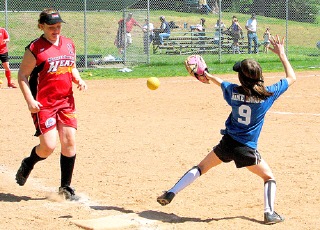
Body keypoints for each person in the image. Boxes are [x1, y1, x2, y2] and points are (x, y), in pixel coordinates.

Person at [157, 35, 296, 225]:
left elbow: (221, 82)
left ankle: (171, 191)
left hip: (227, 144)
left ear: (240, 78)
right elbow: (291, 77)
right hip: (246, 149)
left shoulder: (233, 92)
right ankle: (269, 213)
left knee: (200, 168)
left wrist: (206, 74)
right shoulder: (268, 96)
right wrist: (282, 54)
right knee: (268, 177)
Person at [15, 8, 88, 201]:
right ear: (41, 26)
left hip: (65, 101)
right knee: (48, 146)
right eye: (51, 27)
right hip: (44, 104)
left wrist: (78, 79)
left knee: (69, 141)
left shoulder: (69, 44)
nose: (56, 30)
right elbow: (22, 75)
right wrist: (30, 100)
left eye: (58, 26)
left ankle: (65, 187)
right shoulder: (35, 48)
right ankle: (29, 162)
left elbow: (71, 66)